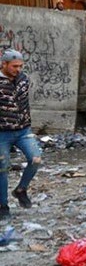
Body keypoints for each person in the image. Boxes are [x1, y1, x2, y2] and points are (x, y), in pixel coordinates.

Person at [0, 50, 41, 220]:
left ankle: (20, 190)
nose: (18, 69)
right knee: (2, 168)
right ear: (4, 64)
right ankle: (3, 206)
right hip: (2, 133)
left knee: (36, 159)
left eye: (21, 66)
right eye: (14, 66)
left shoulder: (23, 79)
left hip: (23, 130)